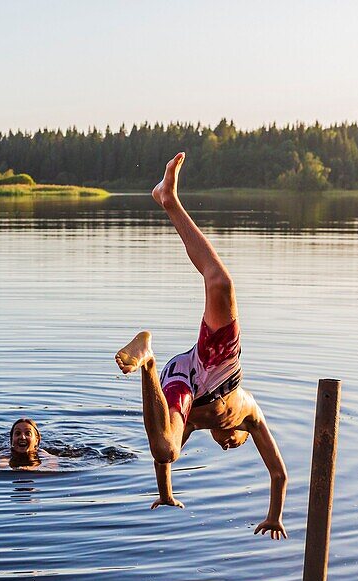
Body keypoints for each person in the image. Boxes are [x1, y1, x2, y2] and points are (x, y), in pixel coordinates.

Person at [114, 153, 288, 539]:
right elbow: (278, 472)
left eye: (228, 446)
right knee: (221, 284)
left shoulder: (195, 421)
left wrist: (167, 494)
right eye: (236, 444)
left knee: (168, 450)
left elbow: (164, 457)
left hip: (183, 380)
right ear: (242, 432)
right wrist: (276, 513)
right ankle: (169, 200)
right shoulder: (251, 416)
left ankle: (147, 362)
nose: (229, 445)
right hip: (220, 368)